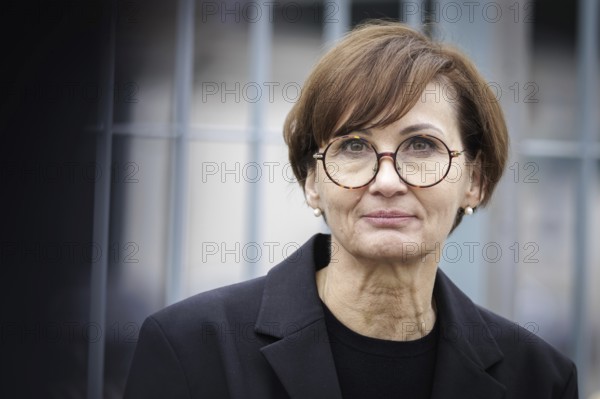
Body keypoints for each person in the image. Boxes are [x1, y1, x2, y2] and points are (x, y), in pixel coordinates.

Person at [124, 22, 577, 399]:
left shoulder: (538, 379)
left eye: (421, 145)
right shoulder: (191, 348)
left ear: (475, 181)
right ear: (311, 181)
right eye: (354, 145)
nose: (385, 181)